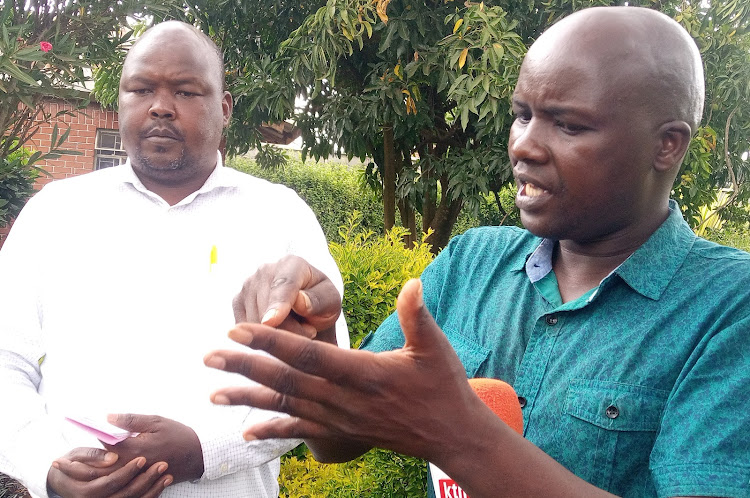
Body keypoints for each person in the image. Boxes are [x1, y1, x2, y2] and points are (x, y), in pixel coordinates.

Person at [203, 6, 750, 498]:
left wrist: (461, 435)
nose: (523, 144)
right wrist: (313, 337)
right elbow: (339, 442)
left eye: (568, 124)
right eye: (522, 114)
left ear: (667, 144)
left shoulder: (728, 308)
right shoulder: (472, 263)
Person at [0, 20, 347, 498]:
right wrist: (48, 469)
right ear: (120, 100)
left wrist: (208, 451)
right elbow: (6, 361)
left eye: (186, 91)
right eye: (141, 89)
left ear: (224, 108)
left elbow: (320, 379)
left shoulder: (280, 216)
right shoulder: (55, 212)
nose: (160, 107)